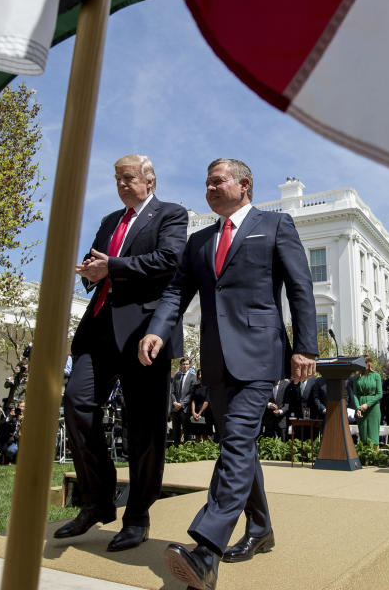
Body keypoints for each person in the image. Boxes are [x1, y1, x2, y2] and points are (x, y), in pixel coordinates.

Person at [139, 158, 317, 590]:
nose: (209, 189)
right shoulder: (199, 242)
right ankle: (261, 529)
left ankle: (206, 549)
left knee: (237, 441)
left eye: (217, 181)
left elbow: (300, 287)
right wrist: (158, 330)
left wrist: (306, 346)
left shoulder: (275, 225)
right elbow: (177, 292)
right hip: (216, 361)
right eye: (206, 183)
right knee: (240, 446)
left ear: (244, 184)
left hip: (260, 355)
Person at [57, 154, 188, 553]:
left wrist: (111, 267)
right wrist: (87, 270)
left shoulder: (171, 214)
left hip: (144, 332)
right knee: (76, 403)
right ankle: (96, 501)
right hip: (98, 329)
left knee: (144, 429)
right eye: (116, 178)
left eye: (128, 178)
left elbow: (169, 261)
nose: (121, 184)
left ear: (149, 180)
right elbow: (97, 264)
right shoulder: (109, 220)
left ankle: (137, 517)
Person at [350, 356, 382, 445]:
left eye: (363, 362)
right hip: (360, 407)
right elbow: (355, 394)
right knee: (363, 436)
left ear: (368, 363)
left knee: (374, 436)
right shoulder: (356, 377)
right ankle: (364, 457)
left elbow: (379, 394)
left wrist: (367, 404)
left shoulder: (376, 376)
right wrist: (358, 408)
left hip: (373, 408)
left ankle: (374, 457)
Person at [169, 358, 197, 445]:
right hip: (175, 409)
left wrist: (181, 404)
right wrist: (174, 402)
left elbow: (191, 393)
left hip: (185, 409)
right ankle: (176, 449)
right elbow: (172, 391)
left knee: (187, 431)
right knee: (176, 431)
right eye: (183, 364)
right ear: (180, 365)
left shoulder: (193, 377)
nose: (185, 366)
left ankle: (187, 450)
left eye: (187, 364)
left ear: (189, 365)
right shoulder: (176, 376)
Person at [188, 371, 213, 442]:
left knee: (205, 435)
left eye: (202, 374)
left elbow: (206, 401)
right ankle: (197, 452)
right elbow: (193, 400)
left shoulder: (208, 387)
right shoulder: (195, 387)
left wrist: (199, 413)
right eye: (199, 374)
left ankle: (205, 452)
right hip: (195, 413)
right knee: (197, 435)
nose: (200, 376)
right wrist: (193, 412)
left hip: (205, 413)